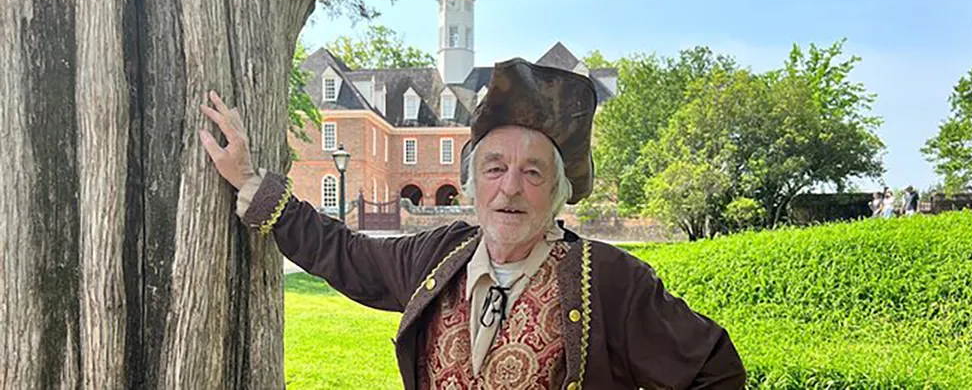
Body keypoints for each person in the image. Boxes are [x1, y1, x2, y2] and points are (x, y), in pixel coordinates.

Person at [200, 58, 746, 389]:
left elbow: (714, 372)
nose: (511, 187)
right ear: (472, 183)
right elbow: (343, 252)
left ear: (556, 192)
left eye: (533, 172)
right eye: (495, 168)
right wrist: (250, 180)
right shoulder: (435, 257)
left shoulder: (610, 281)